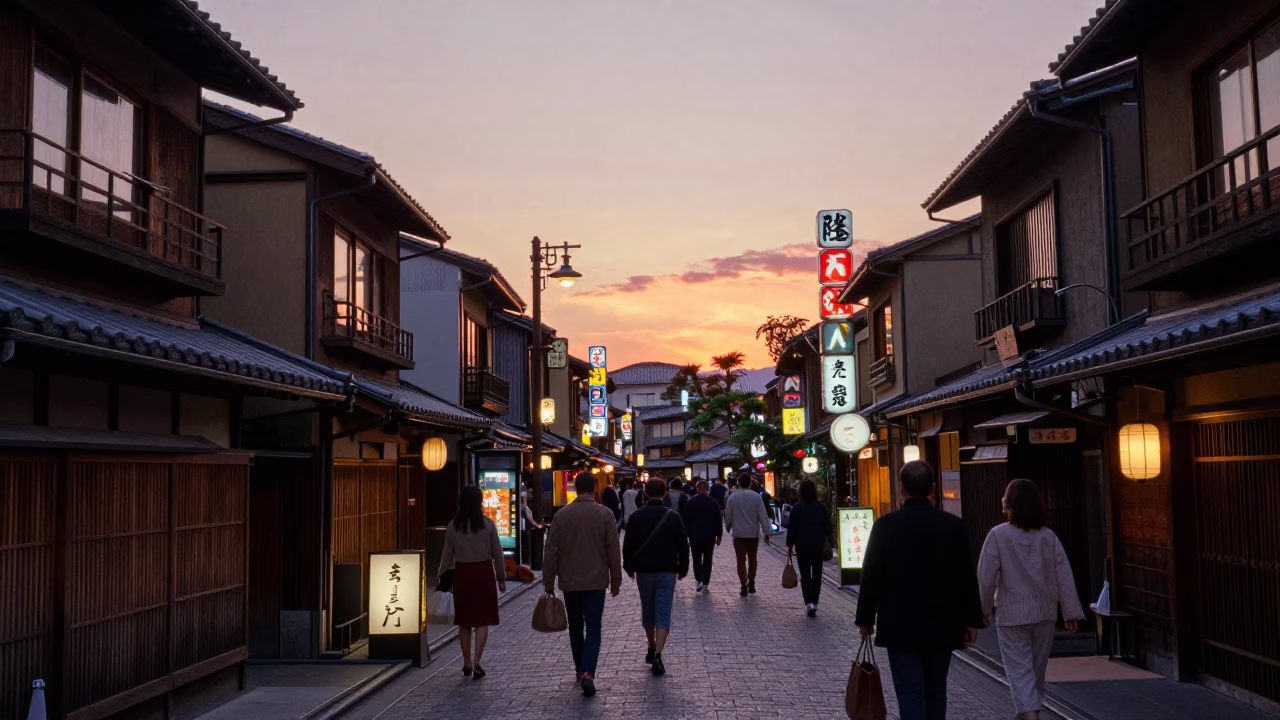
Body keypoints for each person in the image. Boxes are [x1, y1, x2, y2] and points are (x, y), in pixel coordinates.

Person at [855, 461, 984, 720]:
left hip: (900, 623)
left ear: (901, 488)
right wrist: (972, 619)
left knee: (909, 691)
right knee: (937, 690)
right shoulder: (953, 525)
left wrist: (866, 620)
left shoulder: (885, 525)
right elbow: (966, 575)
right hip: (944, 621)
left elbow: (871, 575)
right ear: (933, 488)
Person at [979, 479, 1084, 720]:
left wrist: (982, 610)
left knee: (1019, 670)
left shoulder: (998, 535)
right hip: (1044, 611)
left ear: (1009, 504)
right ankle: (1027, 714)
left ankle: (1030, 716)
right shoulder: (1048, 537)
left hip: (1012, 612)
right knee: (1036, 671)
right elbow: (1064, 576)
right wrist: (1070, 612)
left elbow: (986, 578)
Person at [542, 471, 623, 697]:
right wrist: (616, 578)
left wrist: (548, 580)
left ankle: (579, 667)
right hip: (597, 580)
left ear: (575, 488)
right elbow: (612, 550)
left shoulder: (562, 515)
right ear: (595, 488)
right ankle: (589, 671)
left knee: (576, 625)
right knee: (594, 624)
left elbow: (552, 551)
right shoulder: (605, 514)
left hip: (570, 580)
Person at [623, 478, 690, 676]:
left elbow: (628, 546)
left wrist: (629, 567)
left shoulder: (636, 516)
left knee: (648, 608)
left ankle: (651, 646)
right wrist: (683, 568)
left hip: (644, 570)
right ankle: (658, 655)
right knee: (663, 611)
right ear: (665, 493)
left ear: (645, 493)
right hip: (668, 570)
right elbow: (683, 546)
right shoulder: (673, 516)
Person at [439, 485, 506, 679]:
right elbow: (498, 555)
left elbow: (446, 556)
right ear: (479, 502)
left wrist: (442, 578)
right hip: (484, 572)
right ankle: (477, 661)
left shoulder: (453, 526)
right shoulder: (488, 524)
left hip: (463, 573)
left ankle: (466, 662)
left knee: (464, 621)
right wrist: (501, 578)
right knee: (482, 620)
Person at [785, 479, 831, 617]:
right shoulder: (821, 508)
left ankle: (809, 603)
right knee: (817, 575)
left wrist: (789, 545)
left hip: (802, 546)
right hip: (818, 546)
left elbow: (791, 528)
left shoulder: (796, 509)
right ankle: (815, 602)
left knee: (805, 576)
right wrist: (831, 542)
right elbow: (828, 527)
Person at [723, 471, 772, 597]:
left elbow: (728, 515)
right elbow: (763, 515)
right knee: (752, 558)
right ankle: (751, 580)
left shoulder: (732, 497)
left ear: (738, 483)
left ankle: (743, 584)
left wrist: (728, 526)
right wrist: (766, 531)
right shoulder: (756, 497)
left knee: (740, 559)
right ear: (750, 483)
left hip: (738, 533)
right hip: (752, 533)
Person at [682, 479, 723, 592]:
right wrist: (719, 535)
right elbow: (718, 521)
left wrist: (686, 535)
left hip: (695, 535)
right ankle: (705, 582)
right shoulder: (713, 503)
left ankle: (699, 579)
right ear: (708, 490)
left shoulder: (691, 502)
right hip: (709, 536)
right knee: (708, 559)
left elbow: (686, 520)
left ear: (698, 489)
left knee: (696, 558)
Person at [519, 490, 542, 564]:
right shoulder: (524, 507)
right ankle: (526, 560)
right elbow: (530, 519)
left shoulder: (521, 506)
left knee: (523, 544)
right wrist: (536, 525)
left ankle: (524, 559)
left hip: (522, 528)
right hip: (525, 528)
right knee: (526, 545)